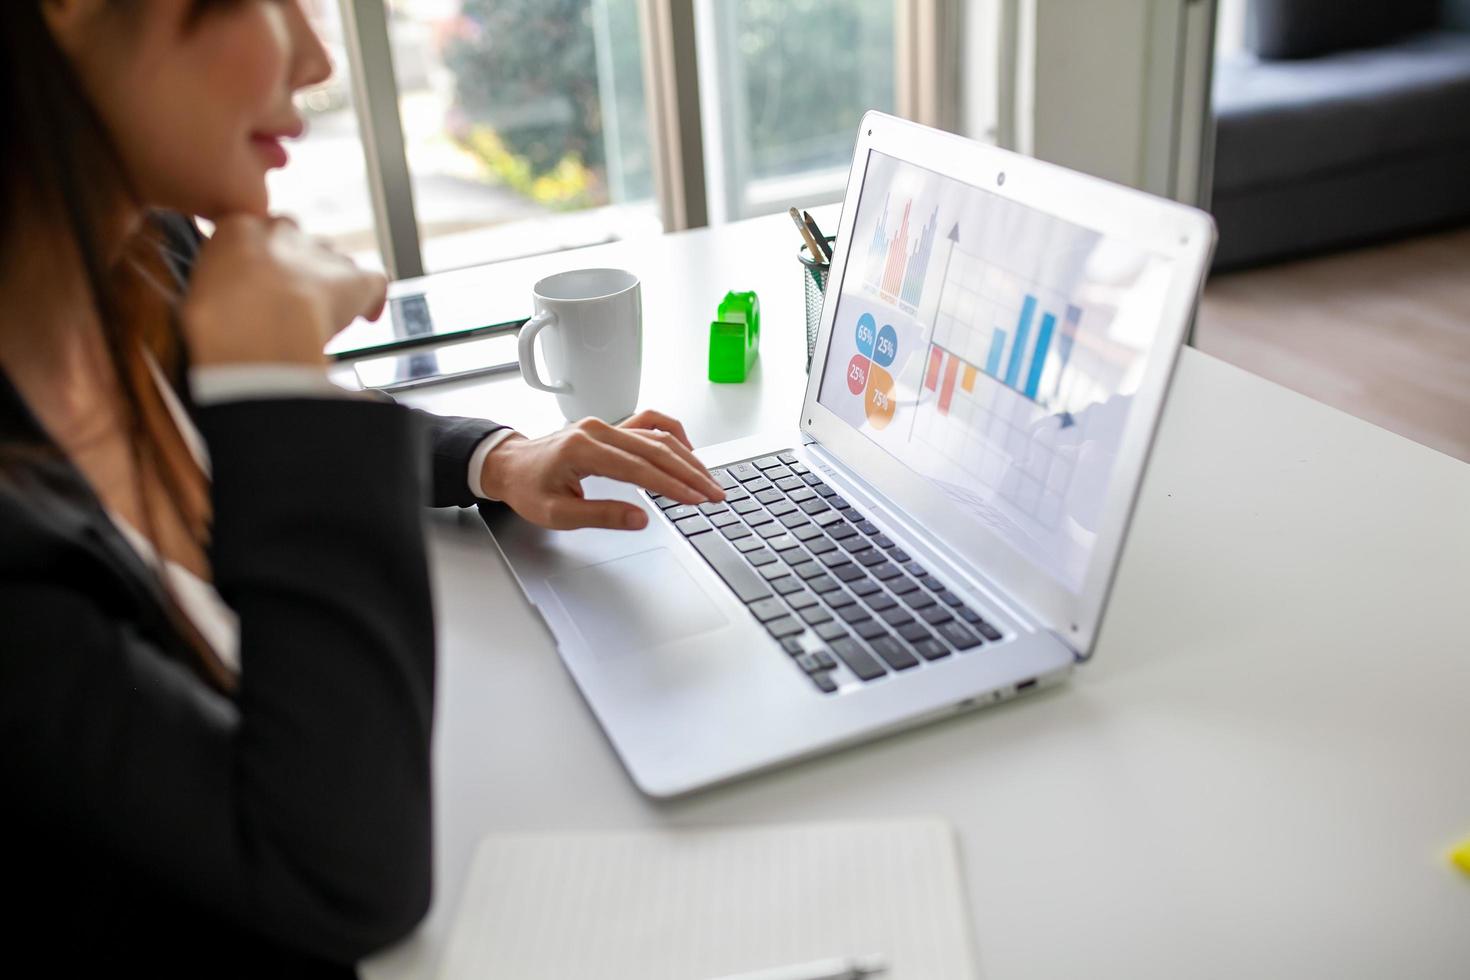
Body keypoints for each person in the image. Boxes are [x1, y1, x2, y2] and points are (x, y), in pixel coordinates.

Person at [0, 2, 725, 974]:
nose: (313, 55)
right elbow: (351, 880)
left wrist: (498, 457)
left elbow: (237, 450)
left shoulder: (143, 251)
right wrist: (275, 382)